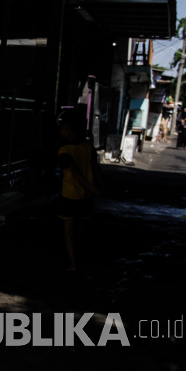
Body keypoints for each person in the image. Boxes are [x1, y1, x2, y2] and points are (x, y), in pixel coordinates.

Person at [57, 110, 104, 272]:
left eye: (62, 127)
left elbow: (74, 173)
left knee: (69, 230)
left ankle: (72, 263)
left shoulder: (64, 151)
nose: (60, 130)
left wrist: (91, 187)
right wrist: (97, 187)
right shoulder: (88, 148)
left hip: (70, 195)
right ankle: (78, 257)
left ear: (68, 128)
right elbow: (95, 168)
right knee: (81, 228)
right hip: (87, 196)